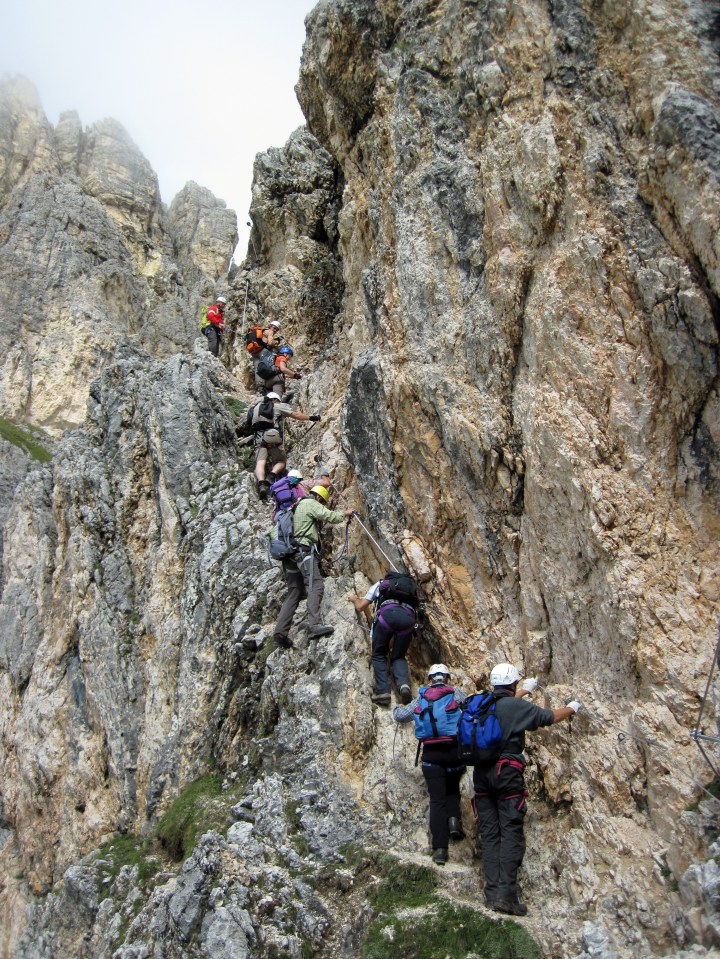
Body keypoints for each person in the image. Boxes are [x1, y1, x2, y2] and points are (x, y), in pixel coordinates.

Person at [472, 663, 581, 917]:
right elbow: (548, 717)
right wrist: (572, 708)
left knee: (489, 834)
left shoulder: (484, 702)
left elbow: (507, 706)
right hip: (506, 774)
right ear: (512, 684)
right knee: (510, 831)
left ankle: (491, 893)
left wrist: (524, 691)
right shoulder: (514, 706)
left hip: (481, 776)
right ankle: (506, 896)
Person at [393, 664, 467, 866]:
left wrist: (396, 709)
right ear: (447, 677)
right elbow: (470, 707)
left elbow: (401, 716)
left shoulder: (422, 697)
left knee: (436, 800)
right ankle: (454, 822)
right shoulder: (456, 694)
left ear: (431, 678)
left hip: (430, 755)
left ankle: (440, 850)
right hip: (453, 751)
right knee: (452, 789)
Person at [272, 486, 353, 647]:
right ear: (320, 498)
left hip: (289, 555)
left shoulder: (294, 506)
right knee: (315, 585)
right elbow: (328, 516)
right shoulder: (311, 503)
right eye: (322, 502)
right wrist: (345, 514)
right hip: (303, 551)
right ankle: (314, 625)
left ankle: (280, 632)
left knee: (295, 591)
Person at [347, 572, 419, 706]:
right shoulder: (410, 590)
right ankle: (404, 686)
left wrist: (354, 599)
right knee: (399, 656)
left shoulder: (380, 585)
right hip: (408, 620)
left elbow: (360, 607)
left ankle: (383, 692)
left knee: (379, 653)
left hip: (388, 616)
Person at [248, 392, 320, 499]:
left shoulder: (255, 409)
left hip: (258, 437)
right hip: (272, 436)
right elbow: (296, 415)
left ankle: (261, 484)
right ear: (275, 400)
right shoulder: (276, 406)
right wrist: (312, 418)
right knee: (281, 461)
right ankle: (271, 476)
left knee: (260, 462)